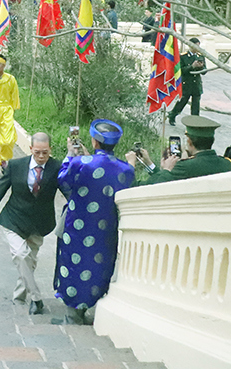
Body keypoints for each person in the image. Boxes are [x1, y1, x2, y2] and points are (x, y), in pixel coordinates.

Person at [54, 120, 134, 324]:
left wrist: (70, 156)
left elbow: (63, 180)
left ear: (94, 141)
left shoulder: (80, 163)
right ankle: (93, 307)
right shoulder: (125, 169)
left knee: (73, 264)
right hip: (106, 230)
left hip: (77, 228)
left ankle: (73, 313)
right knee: (99, 265)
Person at [0, 132, 61, 315]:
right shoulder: (16, 166)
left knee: (29, 262)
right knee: (20, 253)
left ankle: (19, 296)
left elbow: (67, 189)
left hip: (40, 223)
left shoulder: (57, 167)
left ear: (50, 150)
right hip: (14, 219)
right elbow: (0, 189)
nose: (41, 157)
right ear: (31, 149)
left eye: (45, 153)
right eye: (37, 152)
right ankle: (36, 298)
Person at [128, 116, 231, 184]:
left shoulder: (185, 166)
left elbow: (146, 186)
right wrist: (149, 164)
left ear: (189, 142)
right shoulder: (228, 164)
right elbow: (168, 178)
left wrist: (130, 164)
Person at [168, 38, 206, 126]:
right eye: (195, 46)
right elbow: (180, 71)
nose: (197, 48)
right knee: (182, 102)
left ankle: (194, 122)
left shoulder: (200, 56)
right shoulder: (183, 56)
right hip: (186, 83)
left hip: (196, 84)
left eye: (198, 46)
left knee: (196, 105)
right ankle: (173, 115)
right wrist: (192, 67)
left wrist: (200, 67)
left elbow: (204, 71)